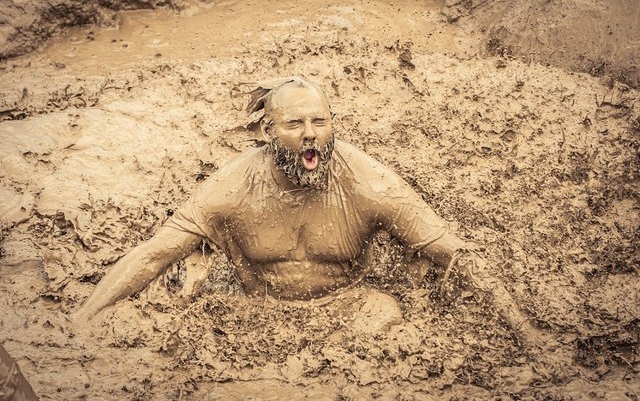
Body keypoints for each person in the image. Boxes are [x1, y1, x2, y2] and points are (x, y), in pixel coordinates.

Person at [74, 76, 540, 342]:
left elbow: (454, 254)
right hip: (256, 310)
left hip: (348, 306)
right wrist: (81, 322)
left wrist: (525, 332)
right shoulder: (232, 185)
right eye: (295, 124)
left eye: (320, 121)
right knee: (206, 320)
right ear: (268, 133)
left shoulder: (370, 182)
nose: (311, 134)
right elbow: (153, 254)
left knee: (386, 314)